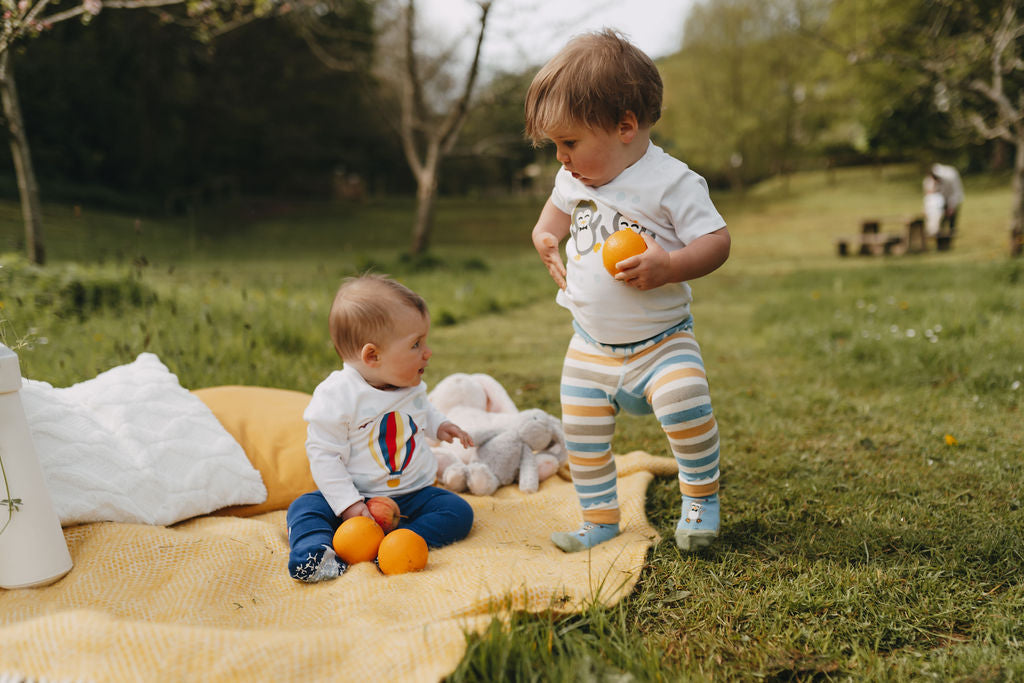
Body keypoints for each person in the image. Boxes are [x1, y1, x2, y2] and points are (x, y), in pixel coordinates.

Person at [524, 30, 731, 553]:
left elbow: (717, 241)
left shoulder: (672, 182)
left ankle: (701, 499)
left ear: (625, 127)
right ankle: (599, 519)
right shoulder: (574, 181)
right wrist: (545, 238)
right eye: (555, 146)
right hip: (590, 345)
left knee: (686, 407)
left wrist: (669, 266)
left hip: (662, 342)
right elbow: (550, 220)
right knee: (584, 436)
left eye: (569, 143)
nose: (560, 158)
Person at [286, 274, 475, 582]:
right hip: (355, 494)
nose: (428, 352)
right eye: (416, 344)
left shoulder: (409, 383)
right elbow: (324, 455)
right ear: (372, 356)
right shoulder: (338, 396)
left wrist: (441, 425)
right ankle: (314, 553)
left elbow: (422, 409)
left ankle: (395, 545)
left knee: (458, 513)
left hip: (412, 495)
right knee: (305, 508)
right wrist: (349, 506)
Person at [930, 163, 964, 236]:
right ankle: (940, 231)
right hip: (946, 198)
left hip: (955, 198)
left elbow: (955, 193)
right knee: (943, 215)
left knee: (952, 216)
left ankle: (952, 231)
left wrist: (951, 207)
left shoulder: (950, 177)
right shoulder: (937, 175)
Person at [922, 174, 944, 239]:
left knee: (935, 222)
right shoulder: (929, 197)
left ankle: (934, 233)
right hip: (932, 206)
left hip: (935, 206)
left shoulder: (937, 196)